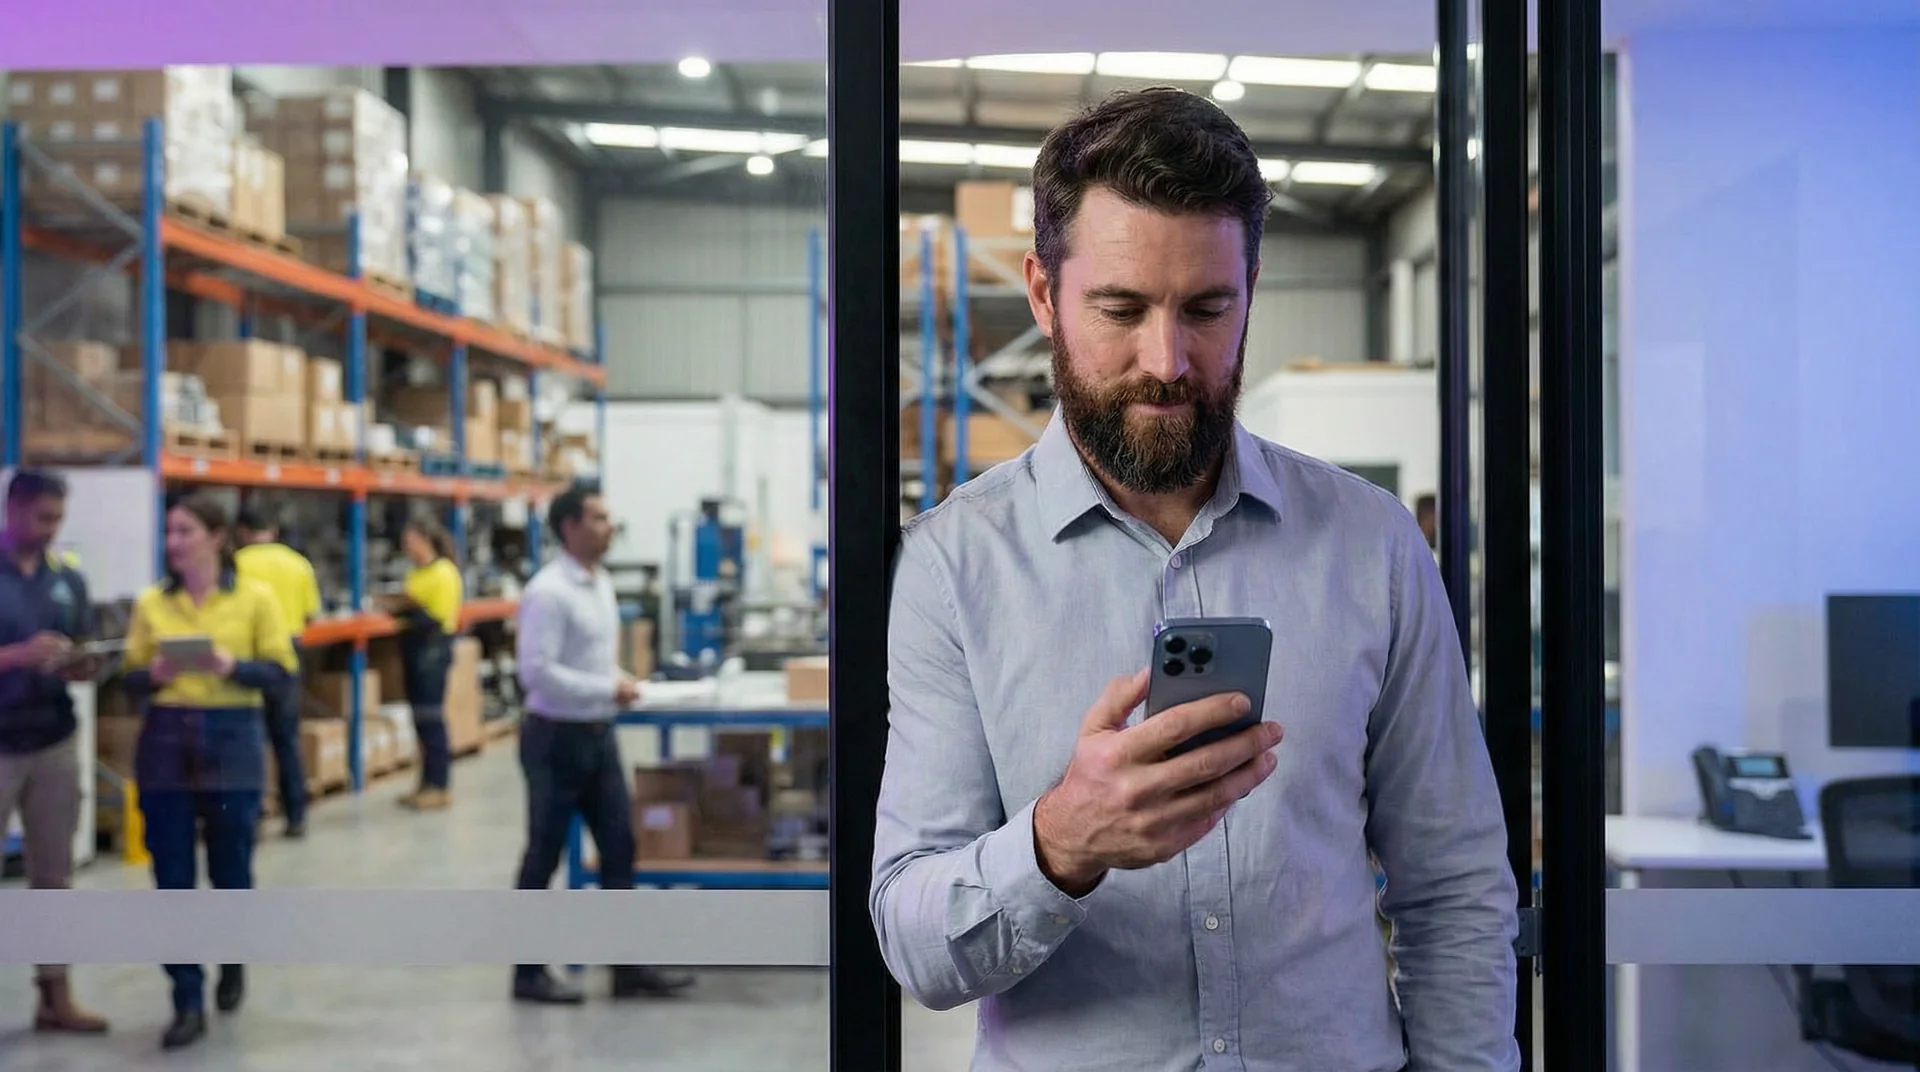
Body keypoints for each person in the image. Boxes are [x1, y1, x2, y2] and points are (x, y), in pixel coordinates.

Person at [870, 88, 1519, 1071]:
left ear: (1251, 286)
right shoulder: (953, 565)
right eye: (1121, 309)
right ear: (1045, 292)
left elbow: (1457, 886)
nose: (1167, 361)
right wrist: (1059, 843)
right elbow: (916, 943)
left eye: (1208, 309)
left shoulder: (1372, 544)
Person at [123, 492, 296, 1050]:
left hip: (231, 736)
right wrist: (152, 672)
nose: (174, 543)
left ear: (218, 538)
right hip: (167, 737)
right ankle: (186, 998)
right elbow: (126, 681)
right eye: (169, 533)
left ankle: (233, 955)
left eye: (186, 532)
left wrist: (232, 666)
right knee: (172, 873)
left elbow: (280, 674)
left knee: (231, 866)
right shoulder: (152, 603)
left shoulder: (256, 599)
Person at [511, 485, 693, 1004]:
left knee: (620, 848)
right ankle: (526, 974)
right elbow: (536, 674)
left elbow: (588, 662)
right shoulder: (548, 592)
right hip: (554, 740)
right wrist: (606, 688)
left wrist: (622, 683)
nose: (609, 526)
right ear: (569, 527)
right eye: (598, 518)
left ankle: (627, 970)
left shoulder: (600, 582)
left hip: (597, 734)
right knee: (542, 856)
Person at [0, 470, 109, 1034]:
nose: (51, 530)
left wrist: (83, 663)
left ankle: (55, 995)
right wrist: (15, 656)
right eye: (43, 518)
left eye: (58, 519)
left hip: (54, 742)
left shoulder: (68, 580)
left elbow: (86, 651)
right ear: (12, 509)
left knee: (53, 877)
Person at [233, 505, 322, 838]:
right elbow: (312, 615)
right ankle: (295, 815)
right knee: (286, 738)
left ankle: (253, 816)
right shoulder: (298, 564)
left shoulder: (237, 565)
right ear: (273, 528)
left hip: (249, 656)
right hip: (287, 655)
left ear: (242, 532)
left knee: (250, 738)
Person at [382, 516, 462, 810]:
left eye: (409, 540)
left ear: (425, 540)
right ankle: (426, 783)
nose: (406, 547)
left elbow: (435, 617)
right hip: (415, 649)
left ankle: (439, 785)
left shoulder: (443, 572)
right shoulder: (416, 574)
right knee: (420, 718)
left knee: (431, 717)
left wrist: (406, 612)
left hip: (433, 649)